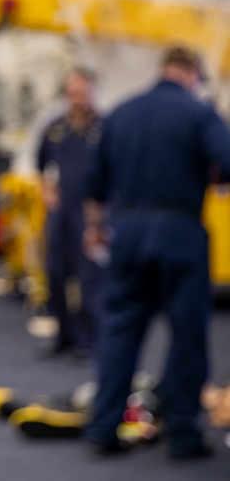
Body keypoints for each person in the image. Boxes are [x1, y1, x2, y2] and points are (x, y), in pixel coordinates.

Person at [83, 46, 230, 459]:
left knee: (120, 329)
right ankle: (183, 435)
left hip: (126, 232)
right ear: (193, 73)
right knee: (186, 335)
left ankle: (102, 427)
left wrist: (95, 229)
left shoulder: (121, 112)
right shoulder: (199, 113)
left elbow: (93, 185)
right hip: (179, 231)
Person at [36, 68, 103, 360]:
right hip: (61, 210)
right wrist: (46, 191)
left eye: (82, 93)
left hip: (92, 210)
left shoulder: (104, 128)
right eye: (72, 94)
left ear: (92, 93)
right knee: (56, 271)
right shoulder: (56, 127)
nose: (76, 100)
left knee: (89, 276)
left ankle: (88, 338)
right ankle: (64, 334)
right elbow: (40, 164)